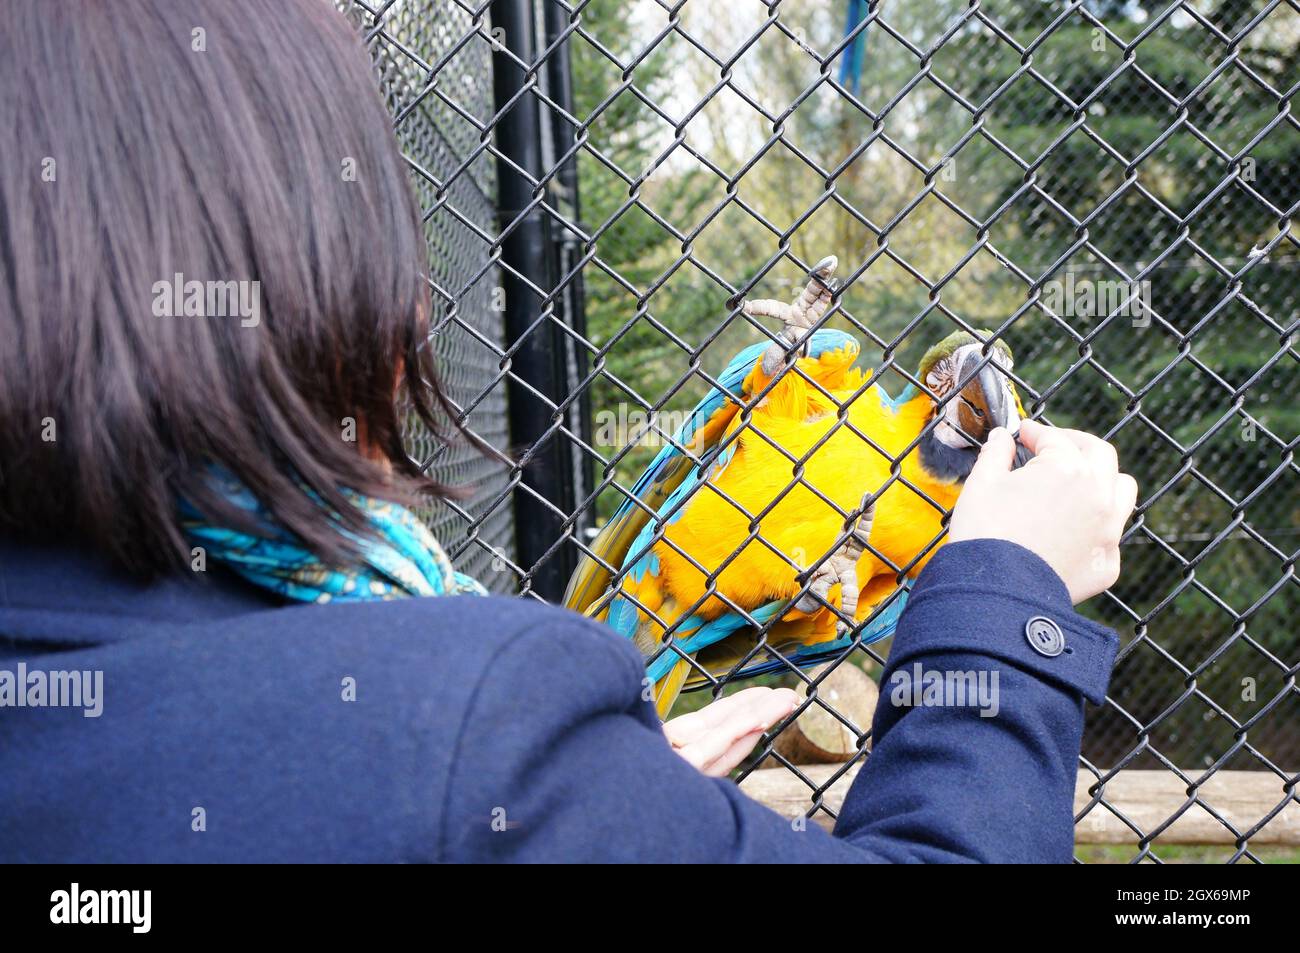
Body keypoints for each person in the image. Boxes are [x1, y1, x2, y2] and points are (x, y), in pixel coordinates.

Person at [0, 0, 1136, 863]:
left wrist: (612, 788)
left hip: (710, 634)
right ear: (324, 273)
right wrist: (1011, 587)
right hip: (655, 583)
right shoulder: (477, 716)